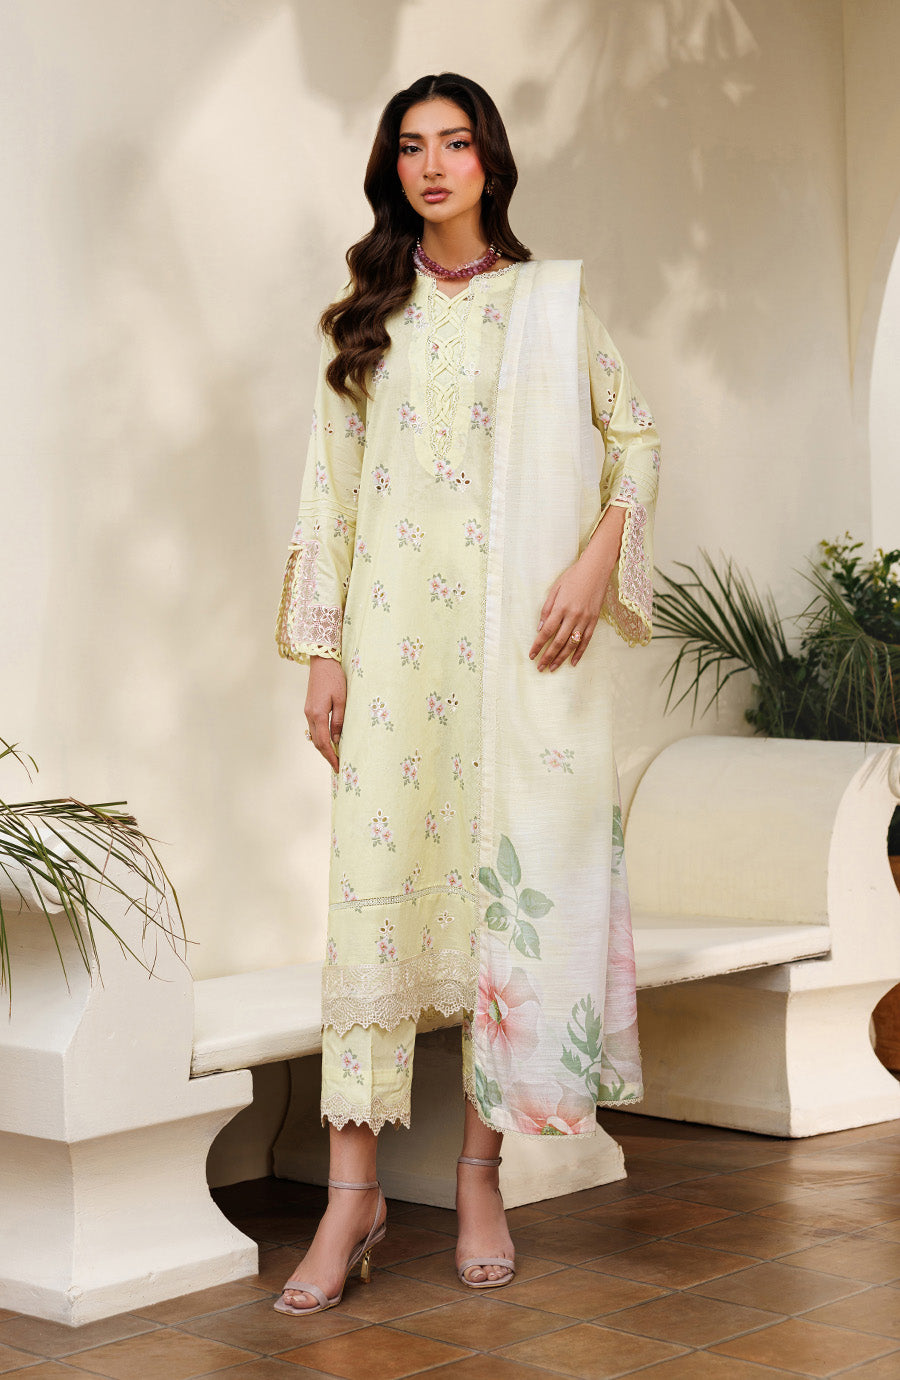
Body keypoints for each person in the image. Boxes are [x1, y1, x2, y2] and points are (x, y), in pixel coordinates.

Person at [274, 71, 661, 1315]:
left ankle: (478, 1179)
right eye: (411, 146)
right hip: (394, 653)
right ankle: (350, 1200)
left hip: (512, 660)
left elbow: (636, 439)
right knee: (375, 908)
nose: (433, 165)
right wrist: (325, 650)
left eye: (454, 143)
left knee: (502, 906)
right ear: (392, 169)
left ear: (490, 160)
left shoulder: (550, 304)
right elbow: (331, 494)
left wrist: (595, 560)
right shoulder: (365, 320)